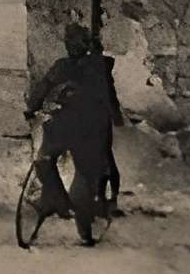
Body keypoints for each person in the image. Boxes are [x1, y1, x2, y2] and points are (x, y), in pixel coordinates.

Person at [25, 24, 123, 246]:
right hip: (83, 126)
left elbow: (43, 88)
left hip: (77, 125)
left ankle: (66, 208)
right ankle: (67, 210)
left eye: (74, 42)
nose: (70, 46)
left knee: (54, 163)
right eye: (69, 42)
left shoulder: (82, 66)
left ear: (84, 44)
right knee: (56, 164)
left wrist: (32, 108)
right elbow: (44, 87)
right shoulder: (88, 65)